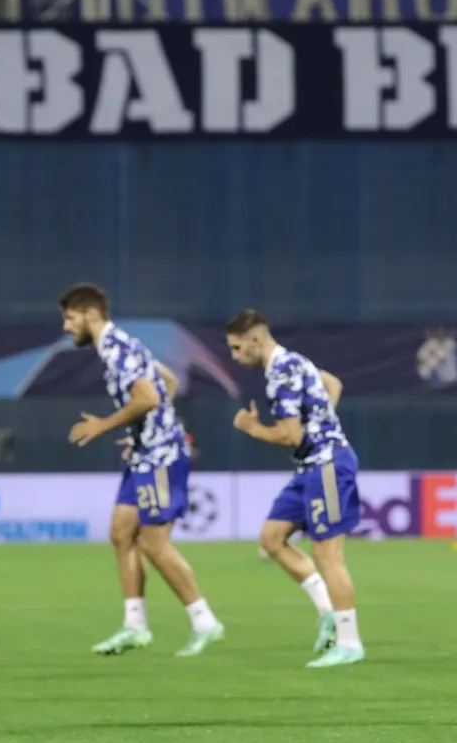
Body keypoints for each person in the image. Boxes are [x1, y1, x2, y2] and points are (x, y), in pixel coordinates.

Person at [59, 283, 225, 658]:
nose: (66, 327)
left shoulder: (117, 349)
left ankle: (205, 621)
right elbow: (167, 381)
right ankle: (134, 626)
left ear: (90, 314)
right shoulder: (120, 346)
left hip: (162, 458)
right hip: (146, 452)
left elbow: (149, 396)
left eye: (70, 319)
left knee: (153, 544)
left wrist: (106, 425)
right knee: (121, 533)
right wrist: (142, 431)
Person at [225, 309, 363, 668]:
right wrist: (320, 419)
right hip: (310, 468)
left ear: (256, 341)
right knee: (272, 538)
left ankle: (349, 642)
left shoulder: (280, 372)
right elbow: (333, 385)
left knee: (328, 555)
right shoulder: (294, 361)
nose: (234, 357)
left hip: (328, 466)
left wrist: (251, 428)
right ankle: (328, 613)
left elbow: (289, 435)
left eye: (237, 349)